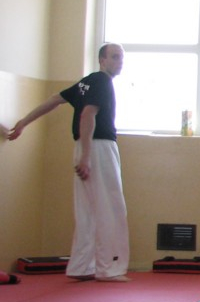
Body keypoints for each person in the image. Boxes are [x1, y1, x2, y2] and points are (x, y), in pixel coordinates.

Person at [7, 44, 130, 283]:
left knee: (87, 210)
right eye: (115, 57)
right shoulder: (101, 82)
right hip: (97, 148)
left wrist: (23, 122)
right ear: (102, 60)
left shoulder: (86, 82)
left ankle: (82, 266)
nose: (120, 62)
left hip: (85, 147)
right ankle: (109, 268)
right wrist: (86, 157)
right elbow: (88, 115)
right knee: (110, 207)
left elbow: (55, 100)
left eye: (121, 58)